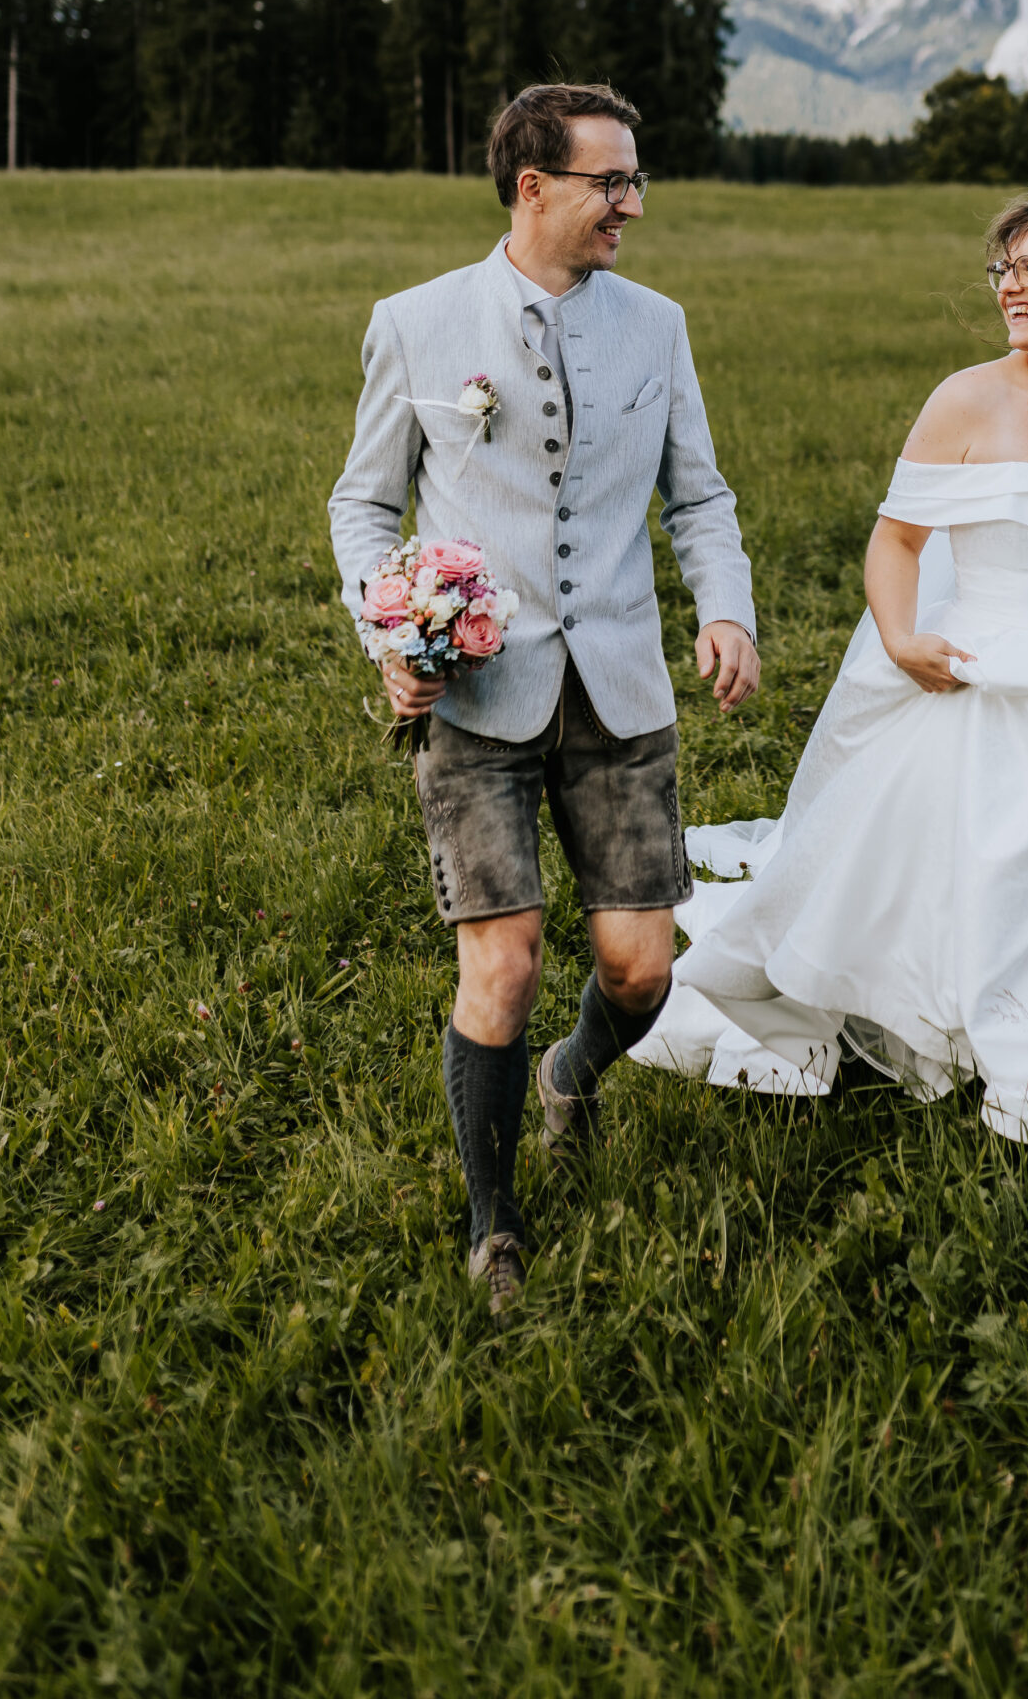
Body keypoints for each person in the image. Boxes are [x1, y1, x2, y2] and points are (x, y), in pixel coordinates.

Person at [633, 194, 1028, 1144]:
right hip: (976, 667)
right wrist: (901, 639)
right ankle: (980, 1028)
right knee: (965, 875)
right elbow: (895, 542)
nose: (1009, 287)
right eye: (1003, 270)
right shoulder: (965, 400)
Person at [329, 82, 760, 1312]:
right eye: (609, 182)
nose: (631, 203)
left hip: (621, 686)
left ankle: (573, 1073)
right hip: (475, 693)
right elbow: (363, 506)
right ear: (534, 188)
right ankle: (494, 1218)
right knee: (504, 963)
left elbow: (701, 496)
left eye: (634, 180)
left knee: (641, 973)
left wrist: (722, 607)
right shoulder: (417, 323)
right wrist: (387, 622)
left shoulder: (660, 326)